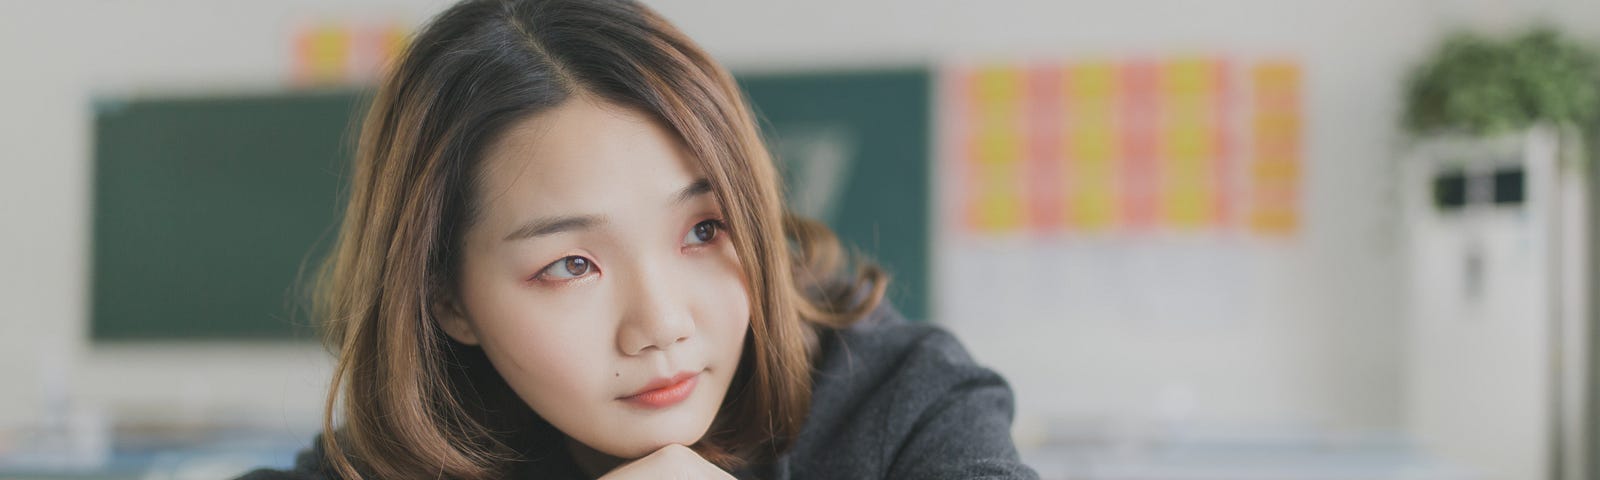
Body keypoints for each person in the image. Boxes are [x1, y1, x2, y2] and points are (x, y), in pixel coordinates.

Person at [237, 0, 1036, 478]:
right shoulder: (444, 433)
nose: (661, 324)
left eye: (704, 229)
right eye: (572, 264)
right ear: (446, 297)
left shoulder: (903, 401)